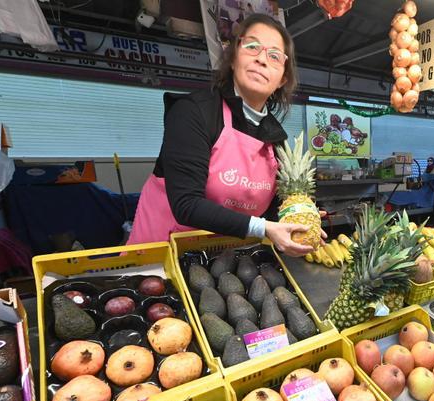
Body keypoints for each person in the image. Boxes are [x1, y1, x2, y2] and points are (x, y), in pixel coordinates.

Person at [127, 14, 319, 256]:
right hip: (162, 256)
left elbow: (270, 216)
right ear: (232, 58)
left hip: (227, 264)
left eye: (274, 56)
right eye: (252, 47)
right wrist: (263, 228)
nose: (261, 59)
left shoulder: (275, 138)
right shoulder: (194, 112)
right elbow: (186, 205)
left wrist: (297, 217)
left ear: (283, 79)